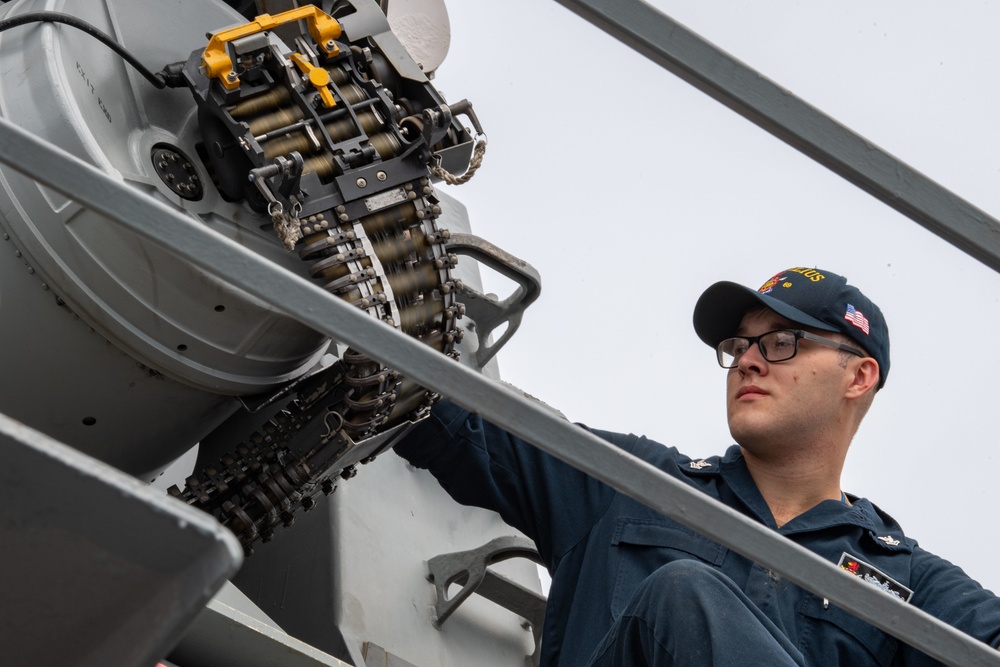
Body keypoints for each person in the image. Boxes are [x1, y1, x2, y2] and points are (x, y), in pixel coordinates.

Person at [394, 266, 1000, 666]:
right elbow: (441, 412)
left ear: (859, 375)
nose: (748, 362)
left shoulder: (907, 581)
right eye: (739, 347)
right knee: (683, 597)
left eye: (782, 342)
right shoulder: (633, 483)